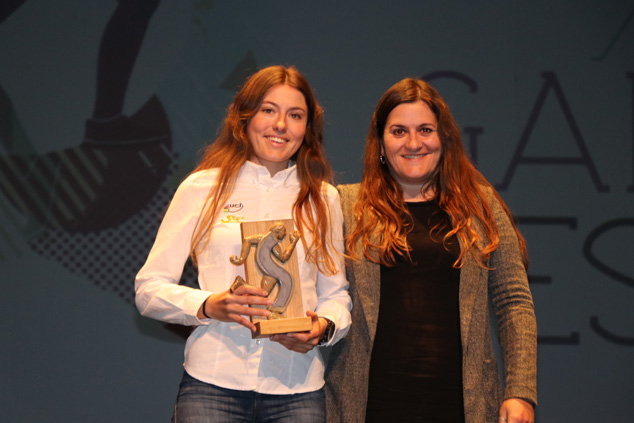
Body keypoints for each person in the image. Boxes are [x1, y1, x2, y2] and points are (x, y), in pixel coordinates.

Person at [135, 65, 351, 422]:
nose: (280, 125)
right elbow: (148, 289)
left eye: (295, 115)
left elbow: (336, 295)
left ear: (307, 129)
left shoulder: (323, 198)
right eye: (268, 110)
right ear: (244, 118)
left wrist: (322, 328)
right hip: (212, 383)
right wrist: (209, 305)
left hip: (297, 388)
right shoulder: (201, 188)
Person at [325, 78, 537, 423]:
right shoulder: (345, 205)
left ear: (444, 139)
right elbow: (319, 295)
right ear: (380, 143)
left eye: (425, 130)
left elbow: (514, 301)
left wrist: (520, 391)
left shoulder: (480, 205)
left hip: (461, 406)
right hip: (368, 407)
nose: (413, 143)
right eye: (399, 131)